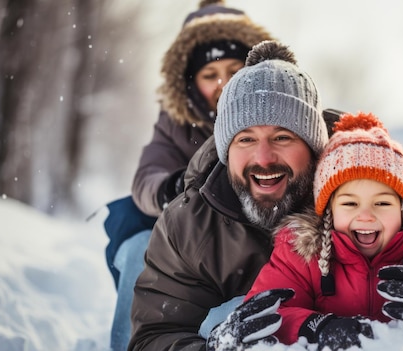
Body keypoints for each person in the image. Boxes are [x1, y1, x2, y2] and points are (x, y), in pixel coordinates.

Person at [212, 112, 403, 350]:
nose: (365, 215)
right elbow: (264, 314)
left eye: (382, 203)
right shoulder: (302, 251)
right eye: (350, 203)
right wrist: (317, 327)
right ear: (330, 211)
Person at [127, 40, 331, 351]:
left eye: (282, 137)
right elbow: (154, 336)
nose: (263, 158)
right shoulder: (190, 225)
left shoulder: (361, 201)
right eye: (246, 139)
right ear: (226, 151)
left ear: (313, 147)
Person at [102, 2, 273, 350]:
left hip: (259, 236)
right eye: (210, 75)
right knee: (139, 248)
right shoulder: (177, 124)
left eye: (233, 69)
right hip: (195, 234)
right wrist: (177, 187)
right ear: (191, 83)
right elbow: (148, 177)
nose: (223, 83)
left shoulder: (276, 112)